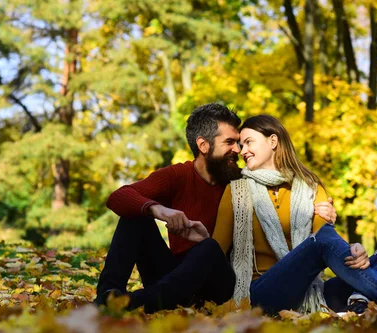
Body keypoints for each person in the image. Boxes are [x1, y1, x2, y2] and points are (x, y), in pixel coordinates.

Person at [187, 114, 377, 321]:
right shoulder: (236, 191)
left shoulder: (310, 188)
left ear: (272, 141)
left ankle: (358, 303)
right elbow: (216, 250)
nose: (242, 150)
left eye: (248, 142)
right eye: (240, 144)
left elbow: (327, 241)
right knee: (322, 240)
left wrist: (355, 249)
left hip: (311, 292)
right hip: (261, 292)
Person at [94, 104, 338, 313]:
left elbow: (282, 200)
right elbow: (119, 196)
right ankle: (107, 295)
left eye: (240, 143)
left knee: (209, 248)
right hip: (173, 275)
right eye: (230, 142)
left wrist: (320, 212)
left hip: (218, 283)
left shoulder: (241, 183)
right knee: (134, 217)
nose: (238, 151)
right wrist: (158, 210)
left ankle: (136, 302)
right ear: (203, 145)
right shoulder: (178, 176)